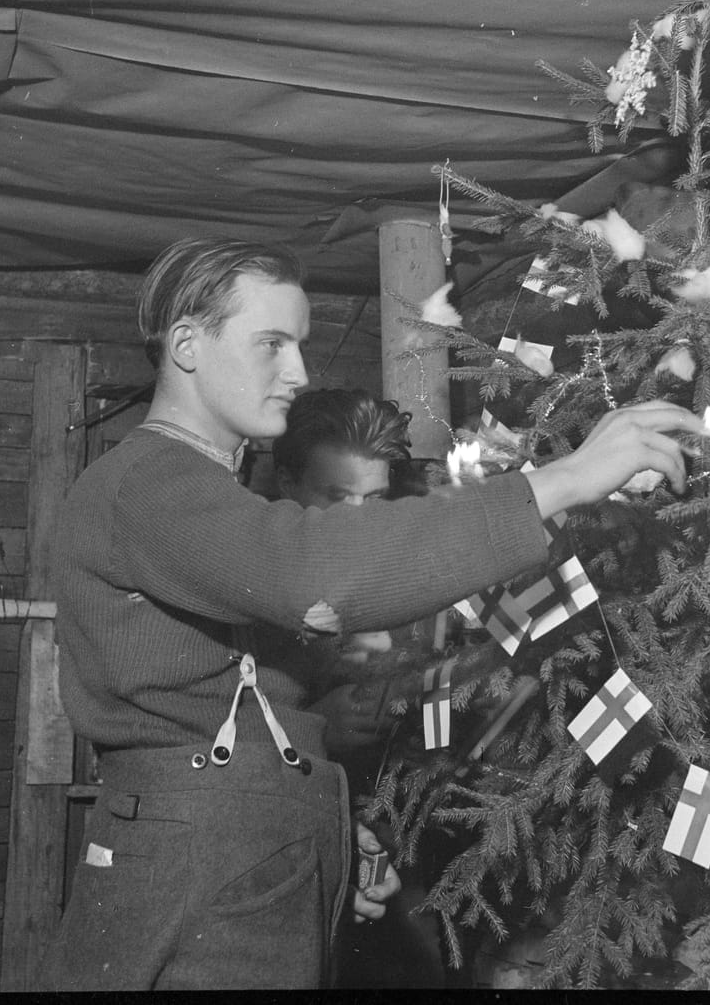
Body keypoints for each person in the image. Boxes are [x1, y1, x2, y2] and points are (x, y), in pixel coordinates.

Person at [38, 236, 708, 991]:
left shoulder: (203, 490)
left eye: (300, 345)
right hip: (198, 858)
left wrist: (320, 835)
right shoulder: (149, 481)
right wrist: (564, 479)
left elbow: (236, 702)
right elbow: (315, 574)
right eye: (271, 343)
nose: (298, 372)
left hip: (234, 848)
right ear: (188, 346)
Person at [271, 387, 447, 988]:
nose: (355, 521)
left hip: (405, 855)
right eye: (334, 496)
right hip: (289, 860)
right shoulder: (247, 580)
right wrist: (319, 728)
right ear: (285, 483)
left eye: (371, 500)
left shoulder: (405, 567)